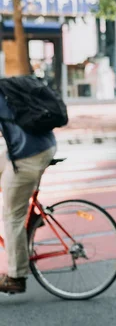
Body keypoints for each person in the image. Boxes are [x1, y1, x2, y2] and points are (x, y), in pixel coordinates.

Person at [0, 94, 57, 294]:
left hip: (28, 155)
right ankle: (32, 218)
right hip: (45, 145)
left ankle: (16, 276)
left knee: (11, 216)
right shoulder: (8, 87)